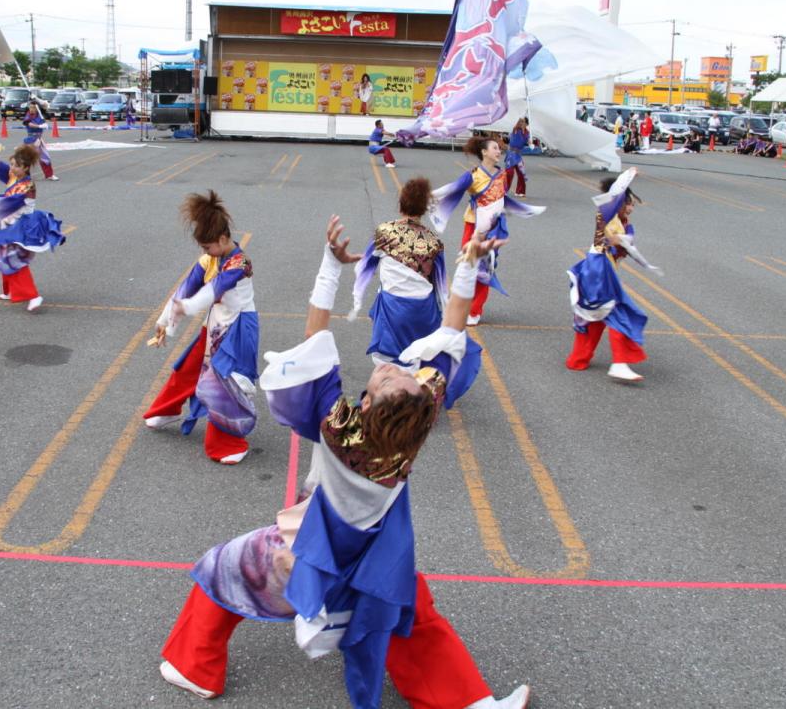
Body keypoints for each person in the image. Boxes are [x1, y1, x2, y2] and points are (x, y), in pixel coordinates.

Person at [158, 216, 530, 709]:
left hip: (317, 546)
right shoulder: (419, 415)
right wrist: (469, 264)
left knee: (221, 570)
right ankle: (474, 703)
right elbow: (452, 328)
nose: (391, 367)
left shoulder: (339, 430)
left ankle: (193, 668)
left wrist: (330, 268)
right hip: (374, 549)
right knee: (407, 610)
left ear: (369, 407)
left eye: (386, 378)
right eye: (402, 372)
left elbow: (314, 345)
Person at [143, 190, 258, 465]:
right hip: (216, 324)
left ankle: (228, 443)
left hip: (238, 328)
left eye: (207, 246)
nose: (204, 252)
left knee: (221, 384)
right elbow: (185, 289)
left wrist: (189, 307)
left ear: (222, 239)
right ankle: (167, 409)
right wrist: (164, 321)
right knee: (187, 368)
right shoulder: (210, 259)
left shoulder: (239, 263)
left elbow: (214, 288)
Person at [429, 135, 545, 326]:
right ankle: (460, 306)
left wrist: (523, 210)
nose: (499, 151)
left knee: (485, 269)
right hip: (472, 227)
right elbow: (450, 189)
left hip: (493, 230)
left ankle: (475, 311)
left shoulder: (502, 174)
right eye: (495, 148)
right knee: (468, 264)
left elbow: (501, 199)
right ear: (484, 152)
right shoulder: (473, 175)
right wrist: (426, 196)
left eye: (499, 149)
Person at [565, 169, 662, 383]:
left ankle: (577, 360)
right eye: (629, 203)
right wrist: (629, 174)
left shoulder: (626, 225)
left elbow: (626, 248)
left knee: (594, 318)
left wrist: (641, 259)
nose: (631, 208)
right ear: (619, 201)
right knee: (619, 313)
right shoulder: (606, 213)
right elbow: (616, 192)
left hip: (603, 269)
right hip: (597, 268)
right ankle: (619, 363)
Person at [349, 178, 447, 367]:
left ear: (401, 204)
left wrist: (357, 298)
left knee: (385, 360)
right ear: (425, 209)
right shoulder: (434, 242)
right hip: (423, 310)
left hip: (393, 308)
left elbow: (363, 266)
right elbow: (441, 287)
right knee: (422, 357)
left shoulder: (385, 232)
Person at [0, 143, 65, 312]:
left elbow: (11, 203)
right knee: (4, 254)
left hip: (23, 225)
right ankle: (9, 291)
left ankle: (33, 295)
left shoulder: (27, 185)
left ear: (26, 167)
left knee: (14, 259)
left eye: (16, 166)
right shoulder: (15, 177)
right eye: (12, 164)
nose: (12, 169)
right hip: (11, 223)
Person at [22, 101, 57, 180]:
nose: (31, 109)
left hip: (39, 139)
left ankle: (49, 175)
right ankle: (24, 176)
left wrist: (38, 100)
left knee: (45, 157)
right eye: (30, 107)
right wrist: (39, 126)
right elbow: (28, 123)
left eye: (33, 107)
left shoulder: (40, 115)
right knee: (28, 158)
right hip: (31, 139)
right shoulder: (28, 115)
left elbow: (46, 105)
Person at [504, 117, 530, 197]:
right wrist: (520, 119)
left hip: (518, 156)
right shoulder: (515, 129)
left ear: (526, 124)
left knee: (521, 173)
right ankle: (503, 190)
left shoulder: (527, 133)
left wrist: (530, 143)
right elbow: (518, 124)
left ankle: (520, 191)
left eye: (524, 122)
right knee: (509, 173)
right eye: (521, 122)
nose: (522, 124)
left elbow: (528, 141)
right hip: (511, 155)